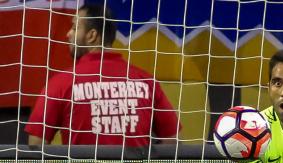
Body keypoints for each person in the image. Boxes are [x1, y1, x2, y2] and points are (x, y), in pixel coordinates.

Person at [25, 4, 180, 146]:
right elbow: (173, 140)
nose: (68, 34)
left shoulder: (61, 84)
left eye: (74, 27)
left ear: (91, 35)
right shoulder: (146, 81)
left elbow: (36, 145)